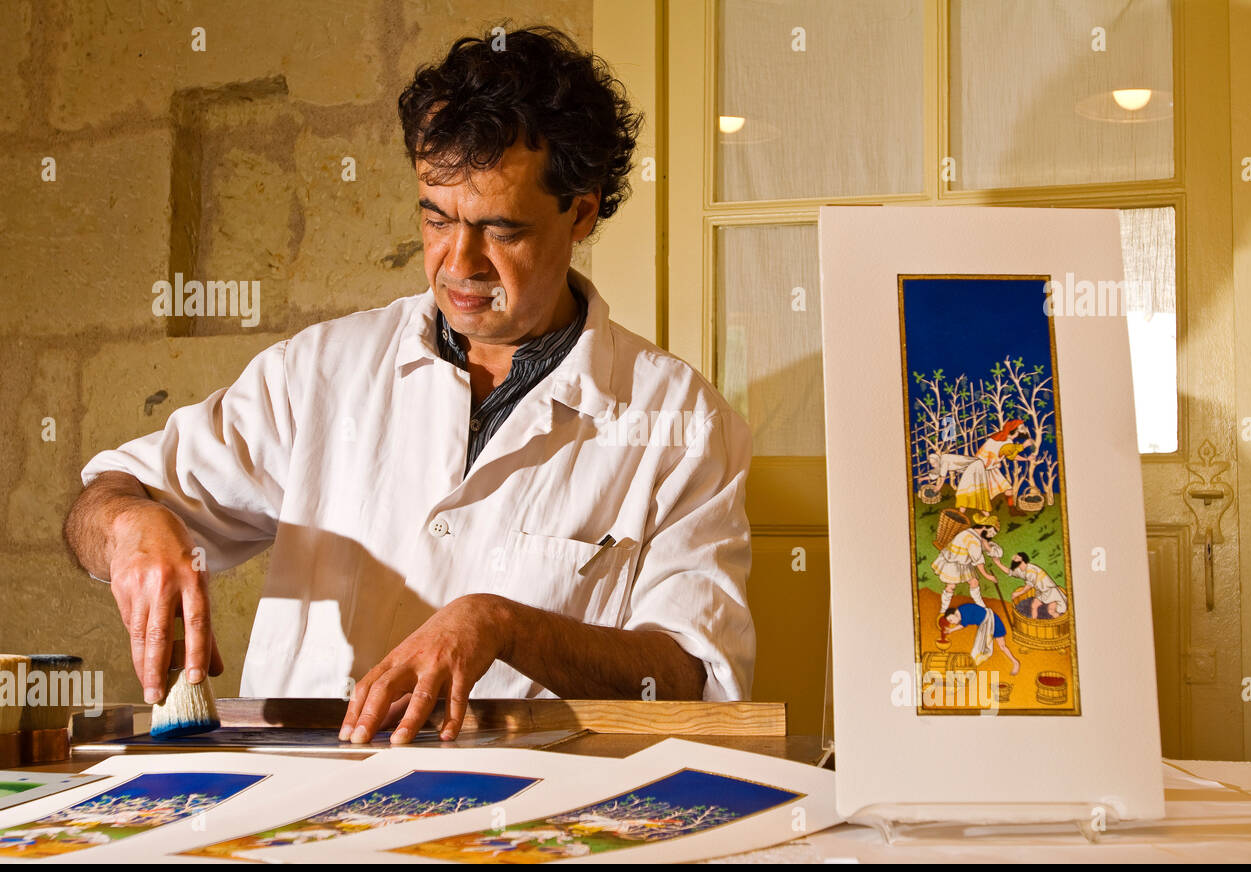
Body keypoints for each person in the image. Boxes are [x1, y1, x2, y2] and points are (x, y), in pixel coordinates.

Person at [62, 26, 755, 744]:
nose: (460, 263)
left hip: (520, 826)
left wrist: (502, 623)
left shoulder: (679, 419)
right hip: (298, 818)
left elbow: (692, 676)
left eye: (501, 229)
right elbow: (99, 503)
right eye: (436, 216)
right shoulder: (324, 369)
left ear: (580, 210)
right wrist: (129, 528)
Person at [954, 419, 1033, 519]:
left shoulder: (1000, 436)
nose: (1021, 432)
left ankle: (1012, 510)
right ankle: (960, 516)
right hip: (980, 470)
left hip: (988, 468)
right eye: (1020, 430)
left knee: (1007, 489)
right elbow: (1011, 453)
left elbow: (1009, 453)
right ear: (1015, 431)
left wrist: (1025, 458)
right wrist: (1025, 447)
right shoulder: (1005, 441)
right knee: (972, 492)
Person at [938, 604, 1020, 673]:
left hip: (992, 621)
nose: (952, 623)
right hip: (985, 626)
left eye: (951, 620)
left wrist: (951, 630)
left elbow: (962, 625)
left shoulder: (964, 611)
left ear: (955, 614)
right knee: (981, 645)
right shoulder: (961, 612)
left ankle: (1015, 662)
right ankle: (972, 664)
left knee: (1002, 646)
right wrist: (951, 630)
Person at [1005, 551, 1068, 619]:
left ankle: (1059, 622)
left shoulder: (1031, 570)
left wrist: (1018, 593)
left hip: (1050, 592)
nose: (1014, 559)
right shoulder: (1021, 570)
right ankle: (1034, 622)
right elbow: (1010, 572)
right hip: (1042, 592)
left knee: (1051, 611)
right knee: (1034, 606)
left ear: (1022, 560)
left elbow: (1029, 586)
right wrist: (998, 563)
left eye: (1017, 558)